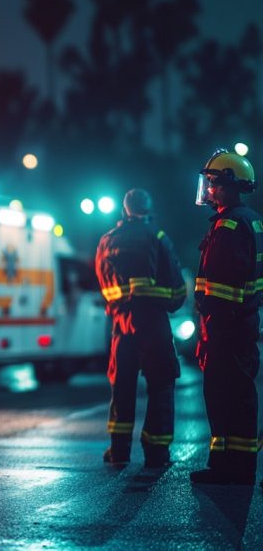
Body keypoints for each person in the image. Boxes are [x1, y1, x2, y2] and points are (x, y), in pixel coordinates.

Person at [95, 188, 186, 468]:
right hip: (153, 324)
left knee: (122, 386)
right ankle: (156, 453)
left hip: (122, 326)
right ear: (148, 210)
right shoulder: (157, 238)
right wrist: (167, 303)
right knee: (161, 383)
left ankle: (119, 450)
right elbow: (176, 290)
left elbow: (104, 287)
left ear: (124, 211)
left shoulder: (106, 241)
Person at [190, 149, 263, 486]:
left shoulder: (230, 224)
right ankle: (233, 464)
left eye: (213, 183)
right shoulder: (247, 219)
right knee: (236, 395)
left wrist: (210, 315)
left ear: (229, 185)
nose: (208, 190)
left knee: (225, 395)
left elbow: (224, 283)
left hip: (226, 327)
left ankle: (230, 468)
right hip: (238, 324)